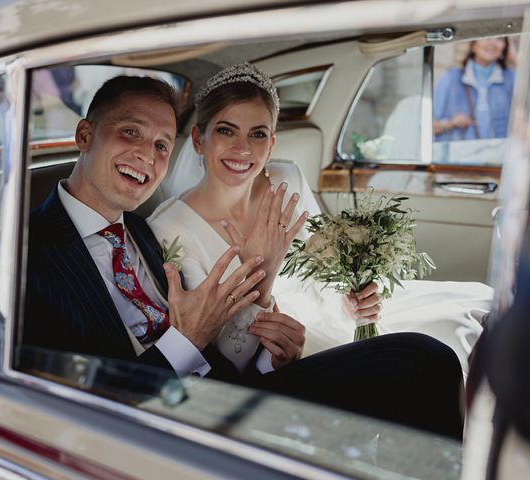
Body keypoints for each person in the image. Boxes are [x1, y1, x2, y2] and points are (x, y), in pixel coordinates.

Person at [25, 73, 465, 439]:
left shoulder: (135, 230)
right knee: (420, 362)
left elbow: (223, 350)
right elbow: (89, 410)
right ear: (85, 135)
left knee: (425, 359)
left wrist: (269, 358)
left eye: (162, 144)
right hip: (171, 428)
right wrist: (191, 335)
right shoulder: (32, 254)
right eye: (130, 132)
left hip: (237, 391)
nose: (148, 155)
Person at [151, 63, 491, 377]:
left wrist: (347, 299)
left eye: (257, 134)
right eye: (226, 131)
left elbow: (321, 269)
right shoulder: (170, 230)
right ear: (199, 139)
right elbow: (222, 351)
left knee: (471, 315)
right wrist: (263, 283)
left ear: (270, 145)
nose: (243, 149)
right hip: (271, 351)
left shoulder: (286, 177)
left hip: (325, 317)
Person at [434, 37, 514, 141]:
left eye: (499, 39)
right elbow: (427, 126)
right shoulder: (451, 77)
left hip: (498, 155)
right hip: (459, 155)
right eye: (487, 38)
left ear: (505, 47)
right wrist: (450, 123)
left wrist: (516, 59)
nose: (493, 43)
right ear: (473, 44)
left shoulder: (512, 79)